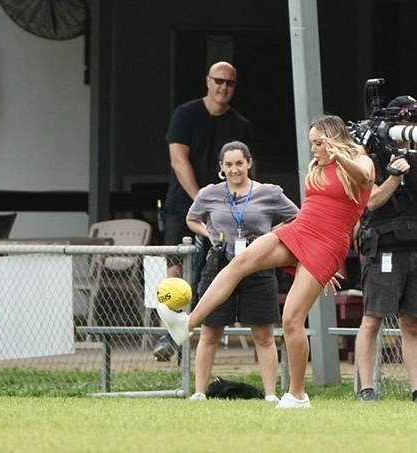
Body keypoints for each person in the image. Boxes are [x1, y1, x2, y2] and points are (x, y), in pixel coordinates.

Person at [157, 115, 374, 408]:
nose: (314, 150)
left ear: (333, 139)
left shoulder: (359, 159)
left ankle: (297, 395)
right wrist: (326, 158)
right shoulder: (318, 166)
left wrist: (339, 157)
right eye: (312, 144)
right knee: (239, 262)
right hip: (301, 229)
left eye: (318, 143)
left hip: (327, 243)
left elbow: (366, 180)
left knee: (291, 319)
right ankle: (188, 324)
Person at [154, 61, 254, 361]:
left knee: (213, 270)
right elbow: (178, 160)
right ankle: (168, 335)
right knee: (177, 269)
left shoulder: (240, 125)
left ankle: (199, 331)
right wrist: (201, 199)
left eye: (230, 83)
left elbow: (247, 168)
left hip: (225, 212)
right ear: (208, 81)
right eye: (218, 81)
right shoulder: (185, 115)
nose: (223, 87)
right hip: (183, 205)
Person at [185, 141, 299, 402]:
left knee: (264, 334)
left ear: (249, 163)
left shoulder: (269, 193)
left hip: (258, 265)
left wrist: (273, 236)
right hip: (220, 264)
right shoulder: (209, 193)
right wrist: (210, 234)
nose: (234, 169)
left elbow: (296, 217)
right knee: (210, 331)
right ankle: (200, 391)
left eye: (239, 163)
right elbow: (193, 218)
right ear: (221, 168)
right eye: (228, 165)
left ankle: (271, 393)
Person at [355, 95, 417, 403]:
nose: (410, 127)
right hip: (384, 247)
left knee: (412, 323)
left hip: (414, 248)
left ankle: (416, 390)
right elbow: (370, 202)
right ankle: (367, 389)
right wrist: (395, 174)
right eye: (406, 121)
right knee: (373, 318)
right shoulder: (372, 157)